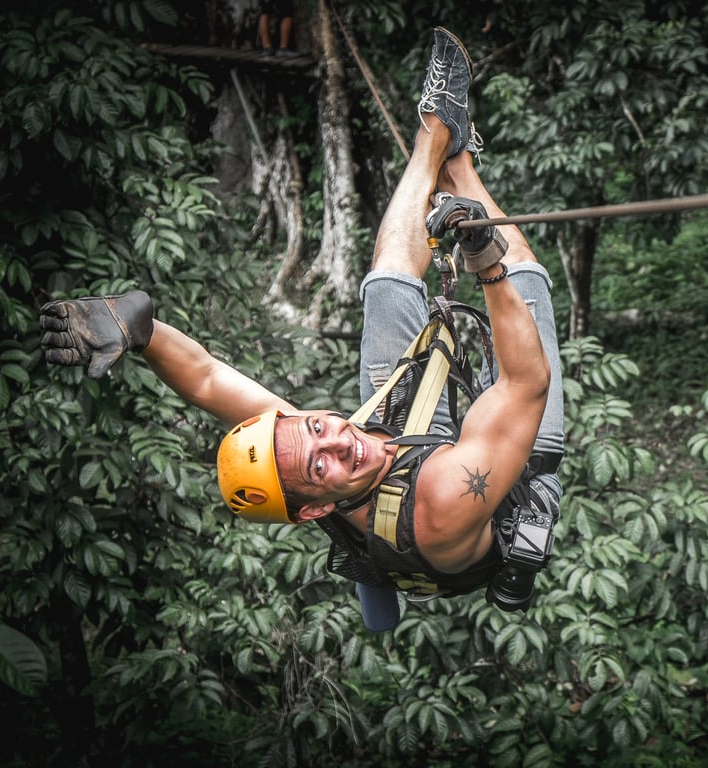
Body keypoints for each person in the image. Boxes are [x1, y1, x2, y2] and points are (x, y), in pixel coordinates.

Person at [39, 28, 564, 633]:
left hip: (400, 456)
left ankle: (434, 135)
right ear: (316, 508)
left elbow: (209, 381)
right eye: (322, 466)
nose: (337, 440)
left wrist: (139, 329)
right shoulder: (445, 502)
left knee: (391, 279)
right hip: (491, 485)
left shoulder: (318, 448)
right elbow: (525, 382)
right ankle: (460, 165)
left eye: (315, 425)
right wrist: (484, 257)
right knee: (523, 283)